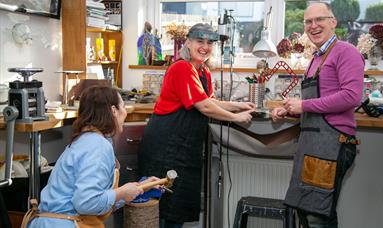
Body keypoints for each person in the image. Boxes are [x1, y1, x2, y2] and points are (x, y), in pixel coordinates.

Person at [138, 23, 256, 228]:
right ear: (188, 42)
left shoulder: (202, 71)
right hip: (166, 147)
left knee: (179, 207)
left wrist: (238, 105)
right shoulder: (182, 67)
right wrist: (235, 117)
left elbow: (210, 101)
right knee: (164, 209)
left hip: (185, 147)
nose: (205, 46)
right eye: (200, 41)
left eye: (209, 43)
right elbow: (204, 107)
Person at [272, 2, 364, 228]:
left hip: (332, 144)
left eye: (319, 20)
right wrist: (290, 111)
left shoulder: (346, 51)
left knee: (318, 215)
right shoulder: (316, 58)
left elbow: (351, 97)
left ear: (333, 22)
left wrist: (303, 105)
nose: (313, 26)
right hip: (312, 144)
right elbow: (316, 105)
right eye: (308, 21)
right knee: (306, 210)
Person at [22, 86, 159, 228]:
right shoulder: (97, 146)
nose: (125, 112)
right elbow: (86, 203)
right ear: (113, 111)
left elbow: (97, 202)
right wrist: (122, 192)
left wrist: (136, 189)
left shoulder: (86, 140)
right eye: (123, 107)